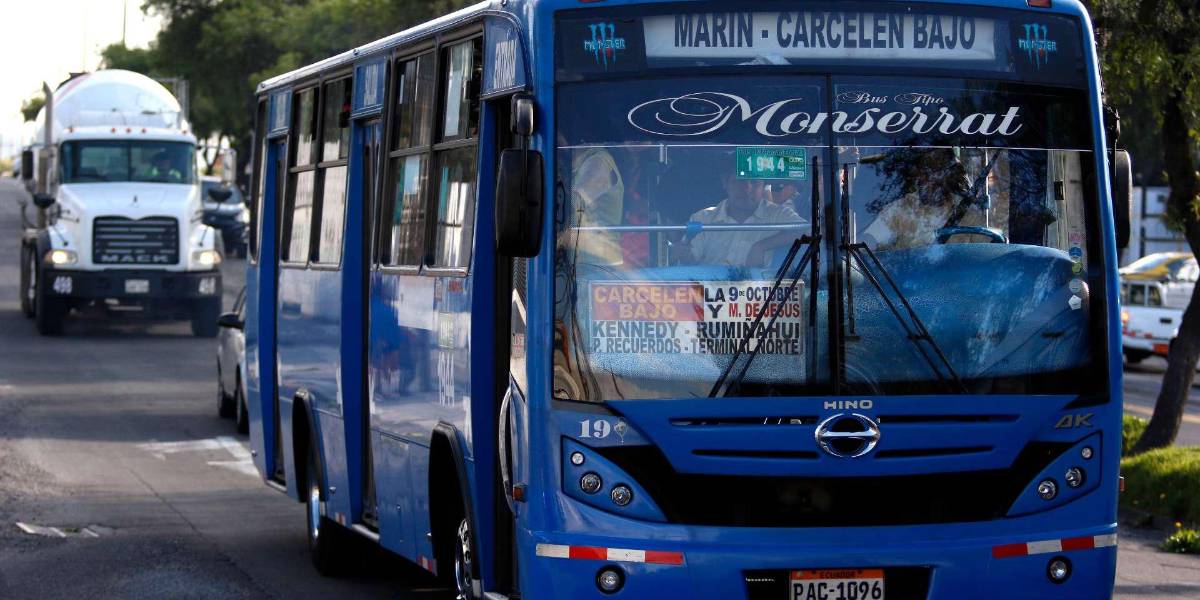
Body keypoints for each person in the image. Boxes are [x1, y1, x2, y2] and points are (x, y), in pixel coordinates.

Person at [683, 172, 806, 267]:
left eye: (754, 182)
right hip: (709, 295)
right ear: (725, 182)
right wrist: (681, 253)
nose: (747, 188)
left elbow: (808, 231)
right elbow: (690, 260)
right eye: (740, 180)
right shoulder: (703, 218)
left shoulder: (777, 214)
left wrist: (761, 246)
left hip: (763, 296)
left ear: (763, 186)